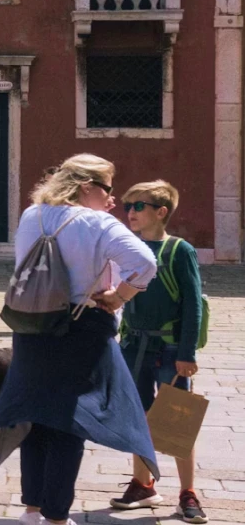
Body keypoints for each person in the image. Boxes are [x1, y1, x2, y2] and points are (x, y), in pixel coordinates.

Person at [0, 154, 159, 525]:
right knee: (69, 424)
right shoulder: (97, 223)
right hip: (80, 327)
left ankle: (32, 511)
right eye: (107, 189)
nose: (112, 199)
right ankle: (56, 517)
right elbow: (146, 263)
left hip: (31, 326)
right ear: (86, 188)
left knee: (35, 418)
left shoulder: (32, 214)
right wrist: (120, 296)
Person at [109, 180, 207, 523]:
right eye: (127, 207)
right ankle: (143, 483)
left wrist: (187, 352)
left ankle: (187, 493)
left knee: (178, 419)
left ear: (161, 212)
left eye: (138, 206)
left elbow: (193, 305)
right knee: (136, 416)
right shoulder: (128, 247)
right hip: (133, 345)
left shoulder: (180, 251)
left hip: (169, 349)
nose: (130, 213)